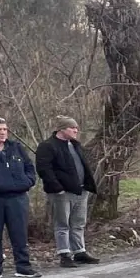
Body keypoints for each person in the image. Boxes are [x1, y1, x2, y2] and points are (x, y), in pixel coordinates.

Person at [35, 115, 100, 268]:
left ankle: (79, 251)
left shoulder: (75, 145)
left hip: (81, 191)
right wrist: (57, 188)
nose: (76, 130)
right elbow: (44, 169)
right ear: (62, 129)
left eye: (76, 128)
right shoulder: (48, 146)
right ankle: (64, 254)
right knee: (62, 224)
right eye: (72, 128)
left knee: (78, 223)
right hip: (62, 193)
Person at [0, 116, 41, 278]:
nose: (2, 132)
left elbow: (29, 167)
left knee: (19, 233)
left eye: (5, 129)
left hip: (17, 197)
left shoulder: (15, 147)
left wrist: (28, 181)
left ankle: (23, 267)